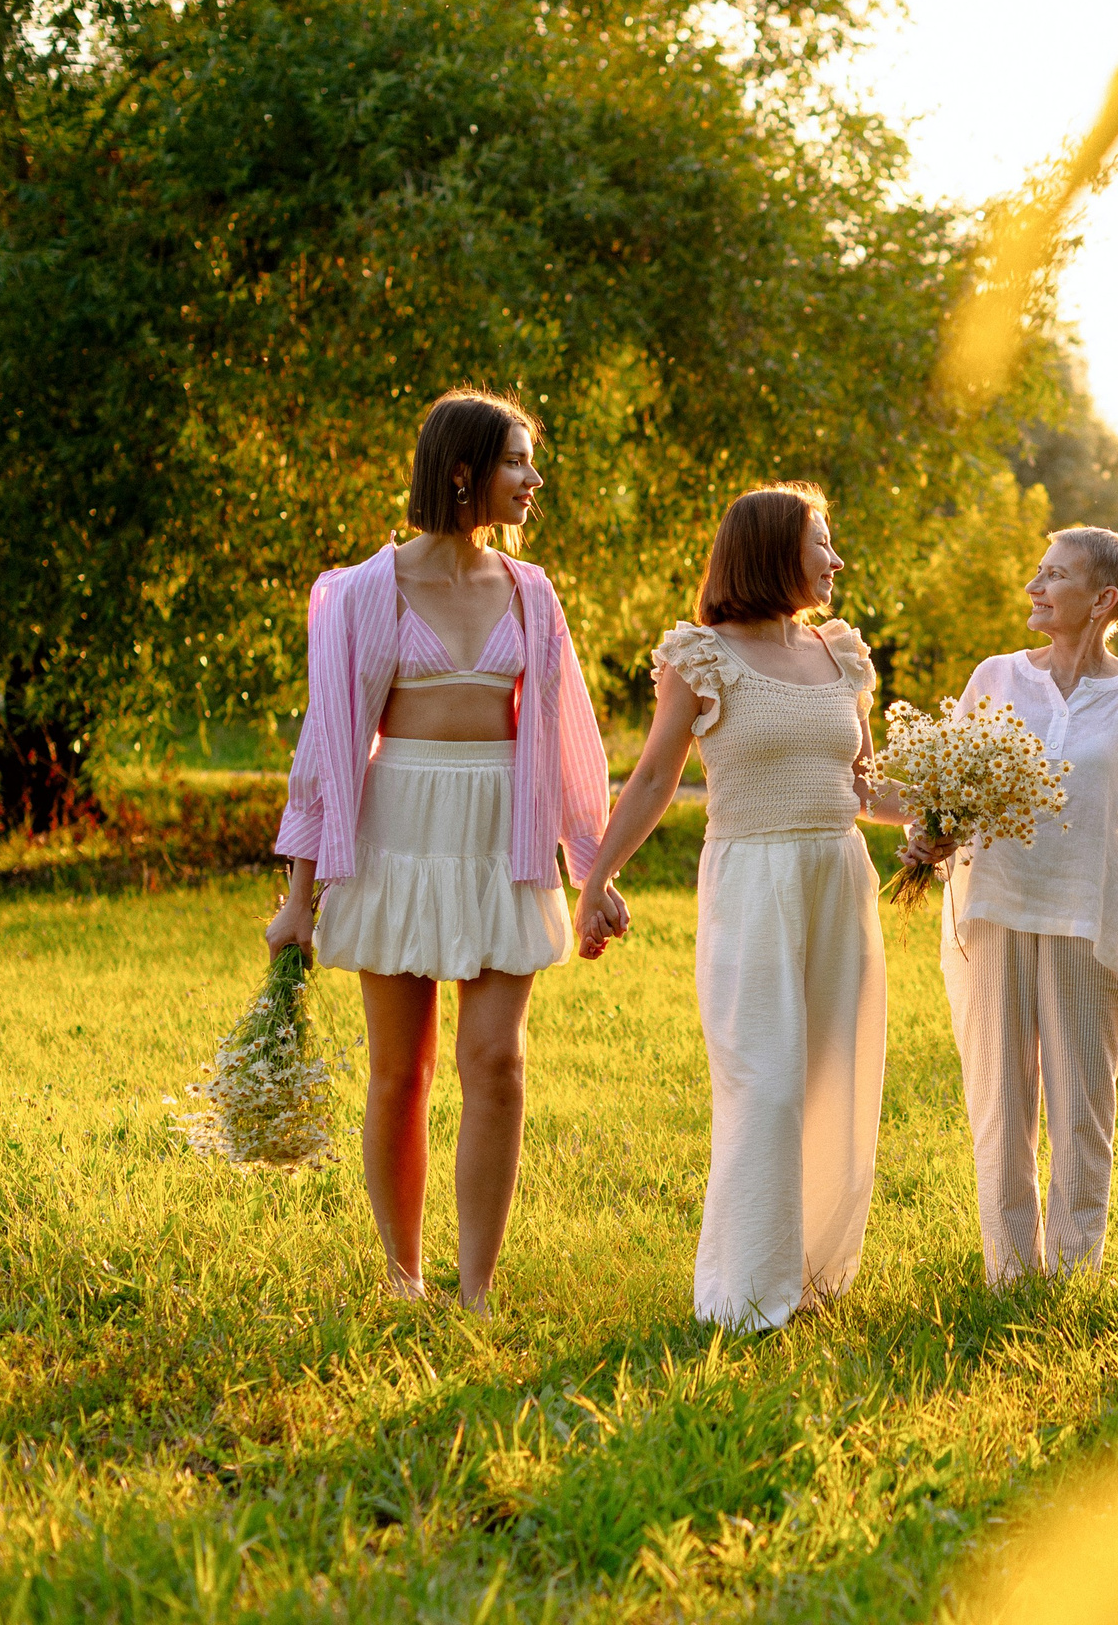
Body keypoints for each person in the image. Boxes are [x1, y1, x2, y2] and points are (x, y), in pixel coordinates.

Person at [267, 388, 611, 1315]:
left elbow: (571, 737)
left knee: (496, 1061)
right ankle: (403, 1275)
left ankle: (477, 1286)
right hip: (399, 832)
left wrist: (595, 869)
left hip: (501, 834)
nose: (534, 480)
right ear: (462, 472)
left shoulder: (531, 593)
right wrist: (299, 895)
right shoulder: (364, 591)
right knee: (401, 1068)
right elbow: (327, 747)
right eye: (516, 463)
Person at [576, 483, 903, 1332]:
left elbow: (868, 786)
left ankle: (814, 1272)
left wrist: (956, 803)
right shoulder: (702, 656)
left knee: (837, 1072)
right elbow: (654, 776)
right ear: (769, 550)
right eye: (821, 543)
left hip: (839, 876)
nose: (835, 560)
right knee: (764, 1078)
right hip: (753, 881)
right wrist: (598, 878)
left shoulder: (843, 656)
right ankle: (746, 1296)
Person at [898, 527, 1118, 1284]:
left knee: (1083, 1112)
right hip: (993, 915)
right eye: (1038, 571)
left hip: (1089, 921)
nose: (1034, 586)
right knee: (999, 1105)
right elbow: (948, 790)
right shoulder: (998, 676)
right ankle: (1010, 1276)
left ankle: (1073, 1276)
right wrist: (932, 836)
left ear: (1103, 599)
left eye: (1055, 575)